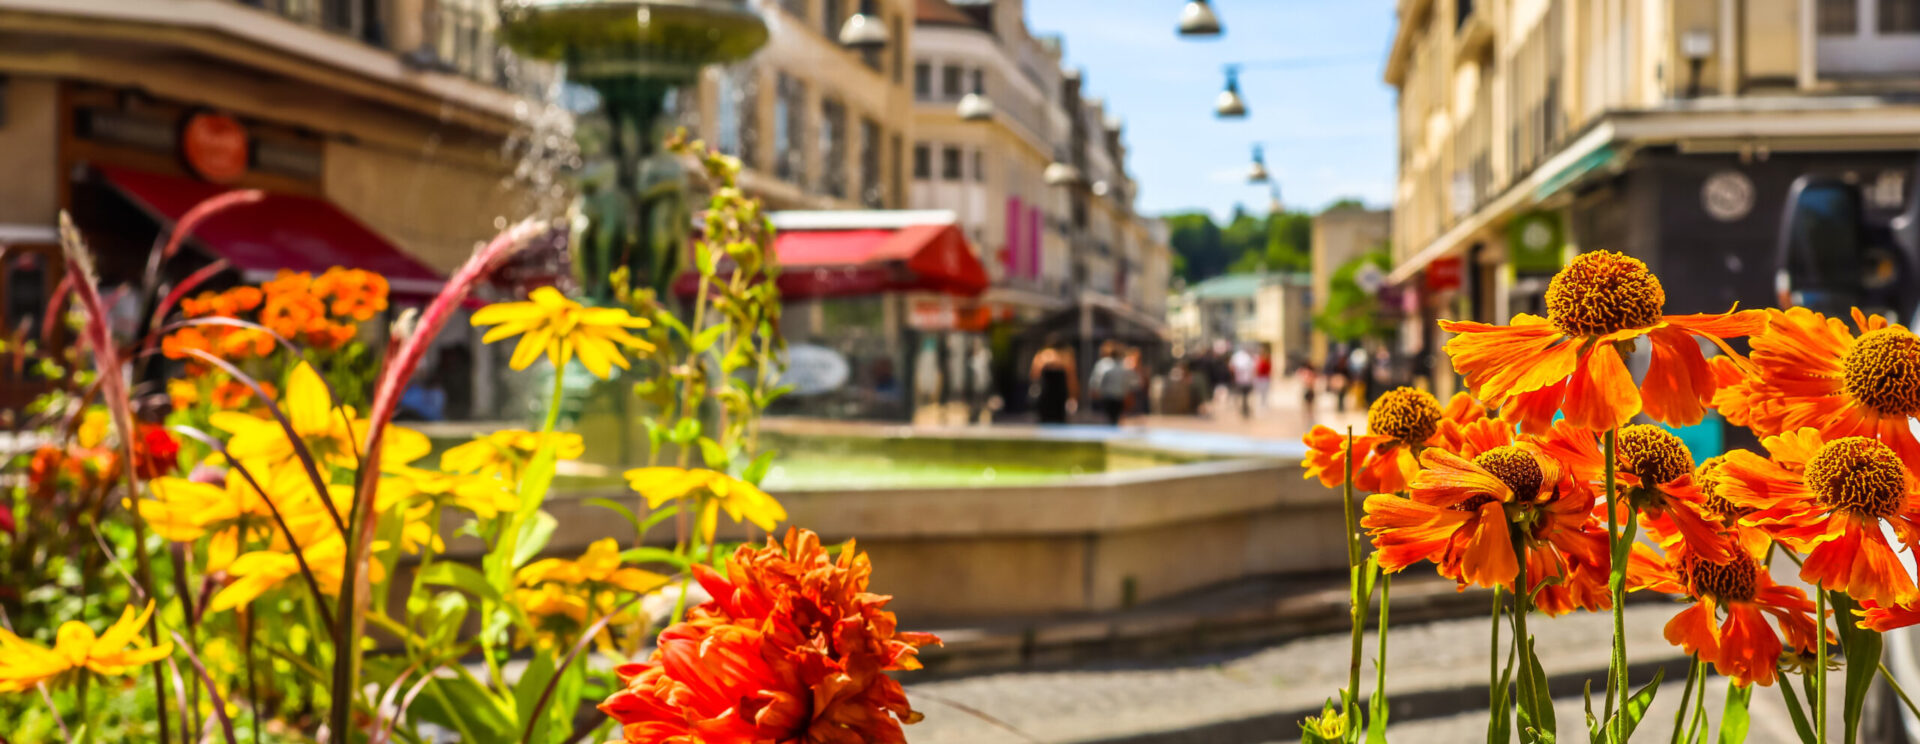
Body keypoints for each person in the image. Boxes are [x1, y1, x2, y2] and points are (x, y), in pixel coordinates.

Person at [1030, 336, 1077, 424]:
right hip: (1060, 392)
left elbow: (1034, 374)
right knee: (1059, 421)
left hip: (1046, 391)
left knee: (1045, 420)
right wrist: (1073, 396)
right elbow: (1071, 379)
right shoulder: (1066, 356)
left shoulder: (1041, 355)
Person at [1089, 341, 1135, 426]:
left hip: (1110, 396)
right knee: (1113, 418)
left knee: (1110, 418)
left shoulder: (1105, 364)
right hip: (1116, 396)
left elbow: (1096, 380)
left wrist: (1096, 389)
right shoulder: (1122, 365)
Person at [1229, 344, 1257, 419]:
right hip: (1243, 380)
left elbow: (1232, 367)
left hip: (1242, 380)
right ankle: (1243, 408)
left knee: (1243, 396)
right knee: (1243, 396)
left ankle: (1244, 408)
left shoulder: (1242, 357)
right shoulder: (1245, 357)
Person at [1252, 344, 1273, 412]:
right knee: (1260, 393)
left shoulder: (1267, 360)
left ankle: (1264, 406)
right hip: (1260, 378)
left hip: (1265, 378)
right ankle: (1261, 406)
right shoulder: (1259, 360)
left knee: (1264, 393)